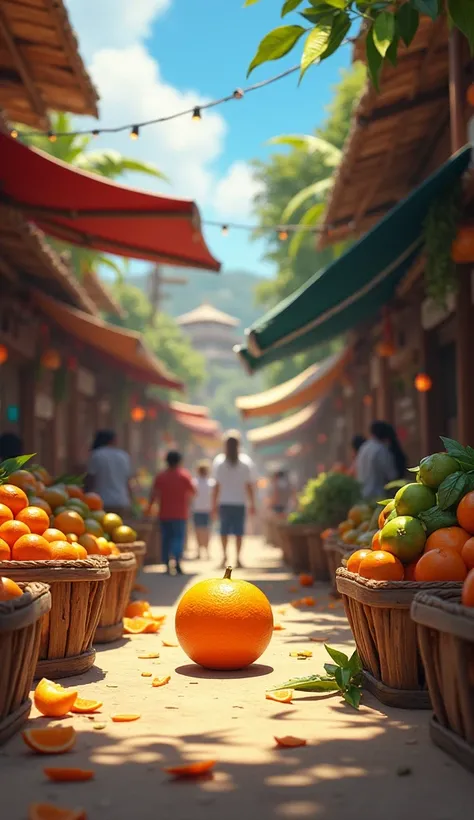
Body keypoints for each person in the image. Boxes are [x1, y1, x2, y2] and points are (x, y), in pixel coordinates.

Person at [212, 431, 257, 569]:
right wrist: (252, 503)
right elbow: (249, 486)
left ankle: (225, 557)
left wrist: (213, 504)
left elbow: (216, 486)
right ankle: (238, 559)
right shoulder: (245, 462)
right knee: (238, 532)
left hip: (224, 502)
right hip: (239, 502)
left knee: (224, 531)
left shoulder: (219, 462)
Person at [147, 450, 195, 575]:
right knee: (178, 538)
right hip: (180, 514)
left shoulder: (161, 476)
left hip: (164, 513)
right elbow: (193, 491)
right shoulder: (184, 476)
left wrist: (149, 508)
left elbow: (153, 495)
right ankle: (177, 561)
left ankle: (167, 564)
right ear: (179, 461)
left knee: (166, 539)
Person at [86, 430, 133, 516]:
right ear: (112, 440)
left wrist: (85, 495)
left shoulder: (97, 455)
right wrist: (132, 500)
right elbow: (127, 481)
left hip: (101, 501)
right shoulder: (123, 456)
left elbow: (90, 480)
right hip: (121, 501)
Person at [355, 421, 401, 500]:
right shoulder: (381, 450)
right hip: (377, 496)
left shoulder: (364, 447)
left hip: (362, 494)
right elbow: (392, 475)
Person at [192, 460, 214, 560]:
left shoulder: (194, 483)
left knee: (198, 531)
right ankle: (205, 551)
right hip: (206, 509)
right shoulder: (211, 483)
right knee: (206, 531)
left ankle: (200, 551)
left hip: (198, 509)